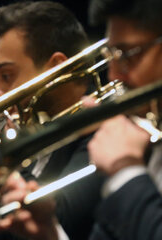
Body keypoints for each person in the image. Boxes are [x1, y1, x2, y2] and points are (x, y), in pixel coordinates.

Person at [0, 1, 106, 239]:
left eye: (6, 75)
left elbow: (58, 219)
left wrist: (5, 151)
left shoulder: (102, 128)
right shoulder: (35, 128)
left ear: (57, 67)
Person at [86, 0, 162, 239]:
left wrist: (125, 173)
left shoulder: (128, 158)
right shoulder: (147, 135)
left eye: (126, 55)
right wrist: (48, 232)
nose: (113, 75)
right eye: (111, 55)